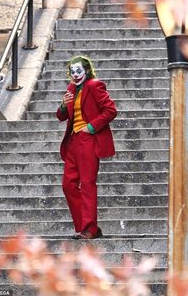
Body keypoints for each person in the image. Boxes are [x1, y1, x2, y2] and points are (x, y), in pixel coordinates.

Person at [56, 55, 117, 239]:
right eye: (72, 72)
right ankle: (85, 226)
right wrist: (63, 105)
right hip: (73, 142)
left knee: (88, 184)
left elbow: (111, 110)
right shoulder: (71, 89)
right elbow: (61, 116)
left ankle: (89, 229)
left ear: (87, 71)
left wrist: (91, 127)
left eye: (79, 71)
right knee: (68, 185)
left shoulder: (94, 85)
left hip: (88, 140)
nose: (75, 75)